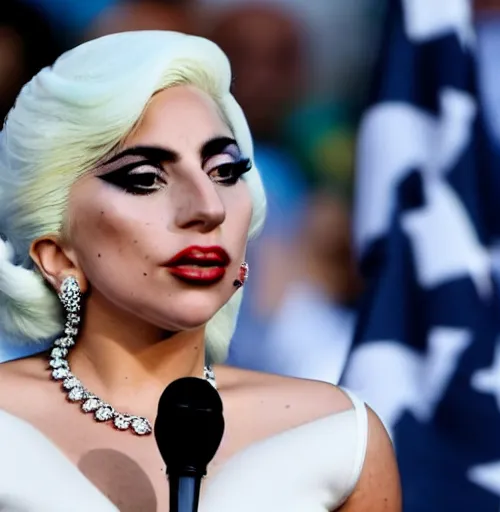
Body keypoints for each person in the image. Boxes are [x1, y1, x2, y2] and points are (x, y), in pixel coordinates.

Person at [0, 31, 400, 511]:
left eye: (225, 172)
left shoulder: (340, 438)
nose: (208, 208)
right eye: (146, 179)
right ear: (58, 254)